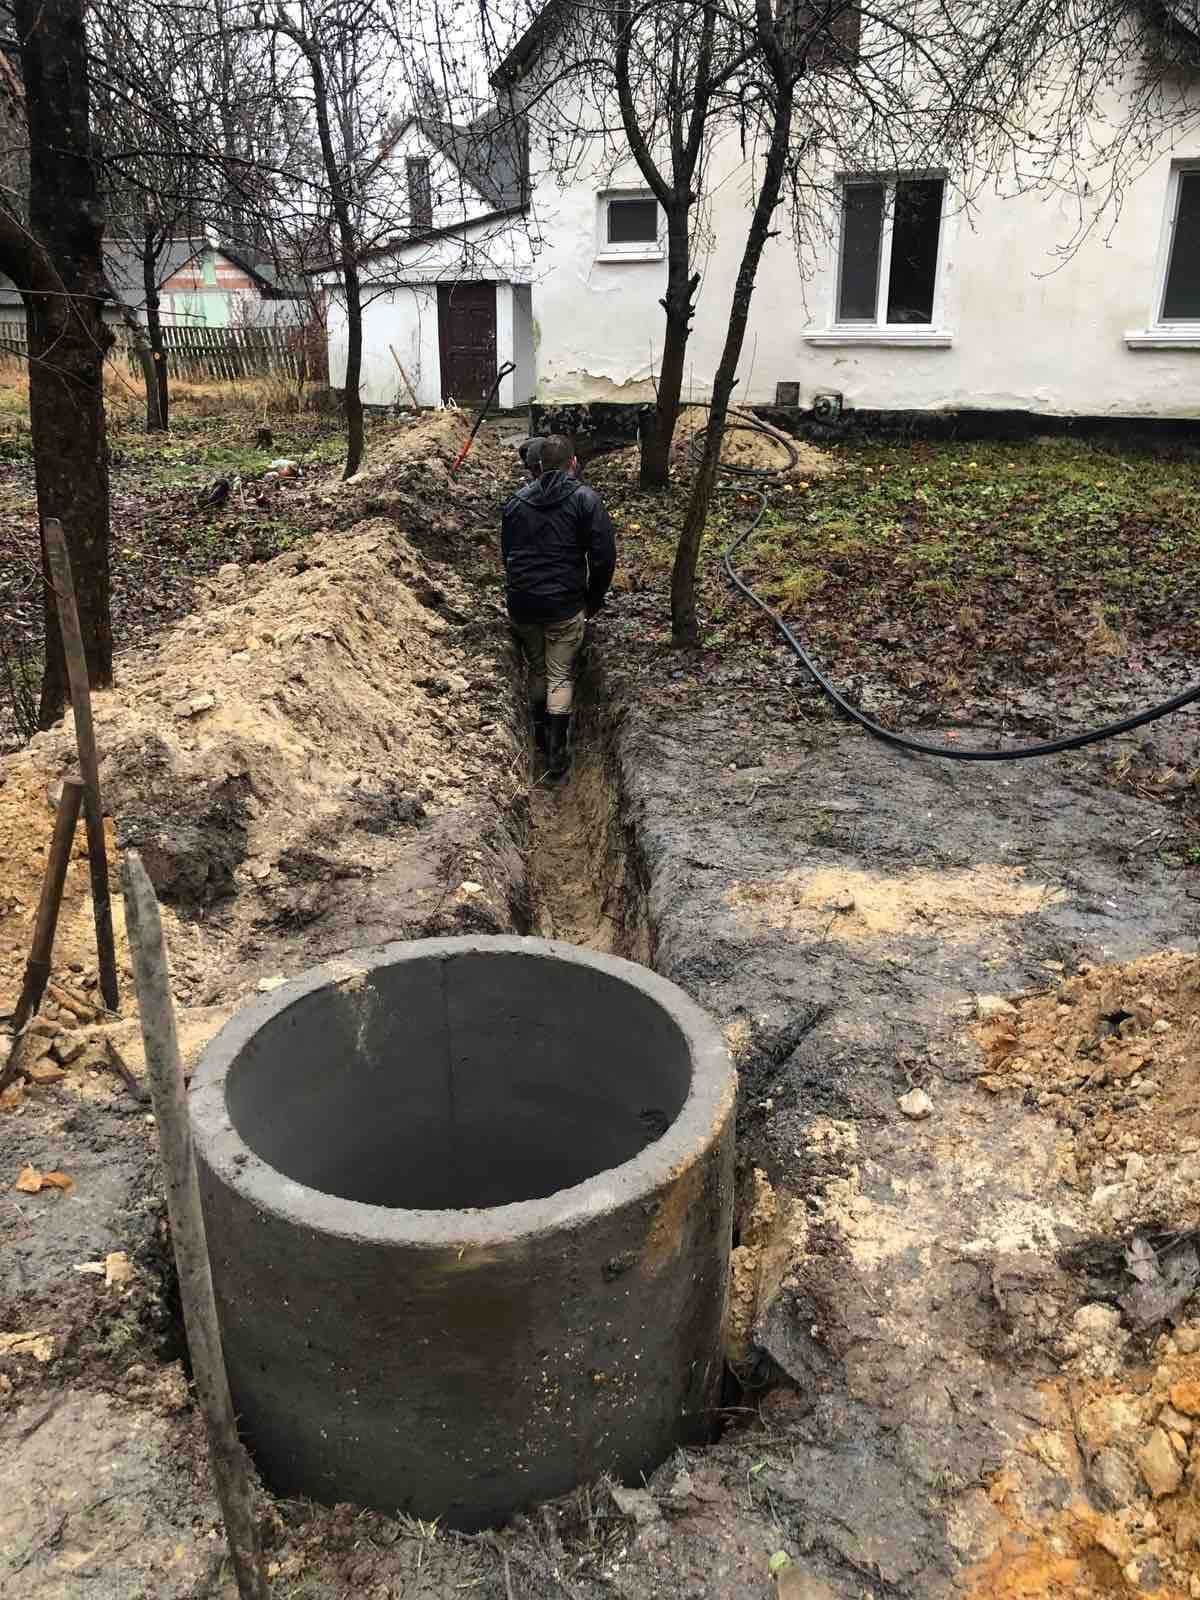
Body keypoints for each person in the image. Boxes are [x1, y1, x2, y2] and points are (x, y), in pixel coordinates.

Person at [502, 433, 616, 778]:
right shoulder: (586, 500)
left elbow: (507, 556)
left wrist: (520, 589)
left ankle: (538, 738)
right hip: (565, 605)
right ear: (573, 464)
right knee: (559, 673)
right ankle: (557, 753)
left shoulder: (516, 502)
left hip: (523, 604)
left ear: (536, 467)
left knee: (538, 669)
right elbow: (603, 558)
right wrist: (591, 601)